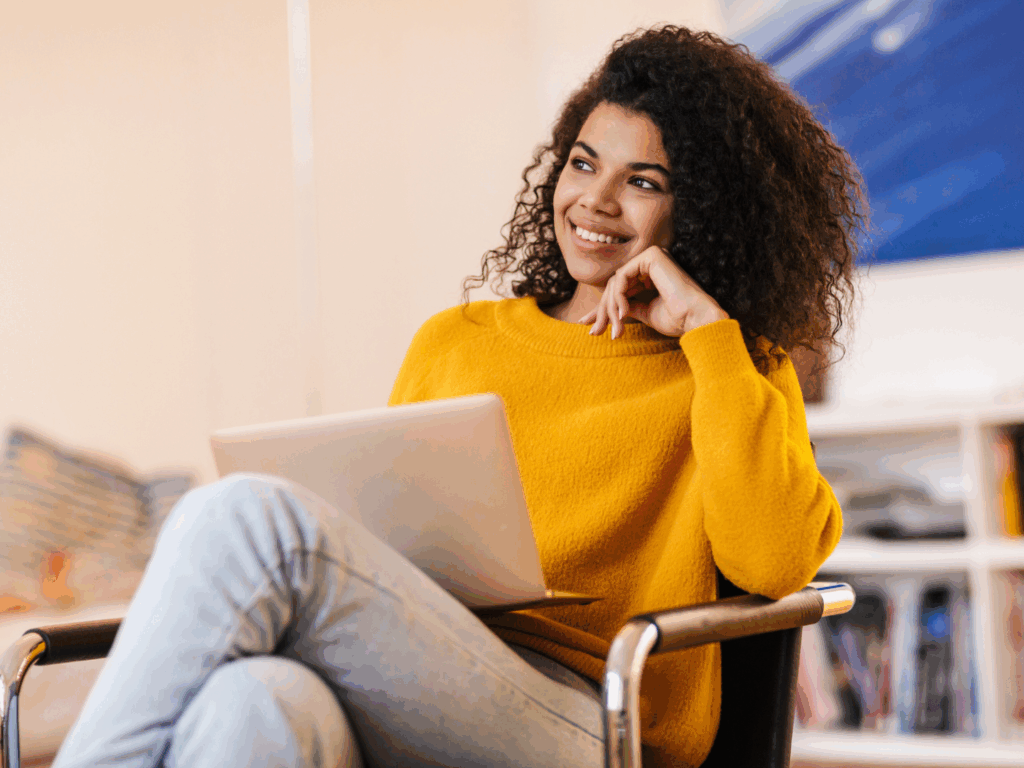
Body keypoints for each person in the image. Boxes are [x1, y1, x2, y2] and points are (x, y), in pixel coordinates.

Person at [50, 24, 869, 768]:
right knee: (257, 702)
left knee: (237, 517)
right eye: (583, 162)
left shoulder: (733, 365)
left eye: (643, 181)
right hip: (418, 673)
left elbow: (773, 561)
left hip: (589, 716)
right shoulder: (458, 339)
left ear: (705, 212)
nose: (596, 200)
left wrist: (704, 333)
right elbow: (383, 530)